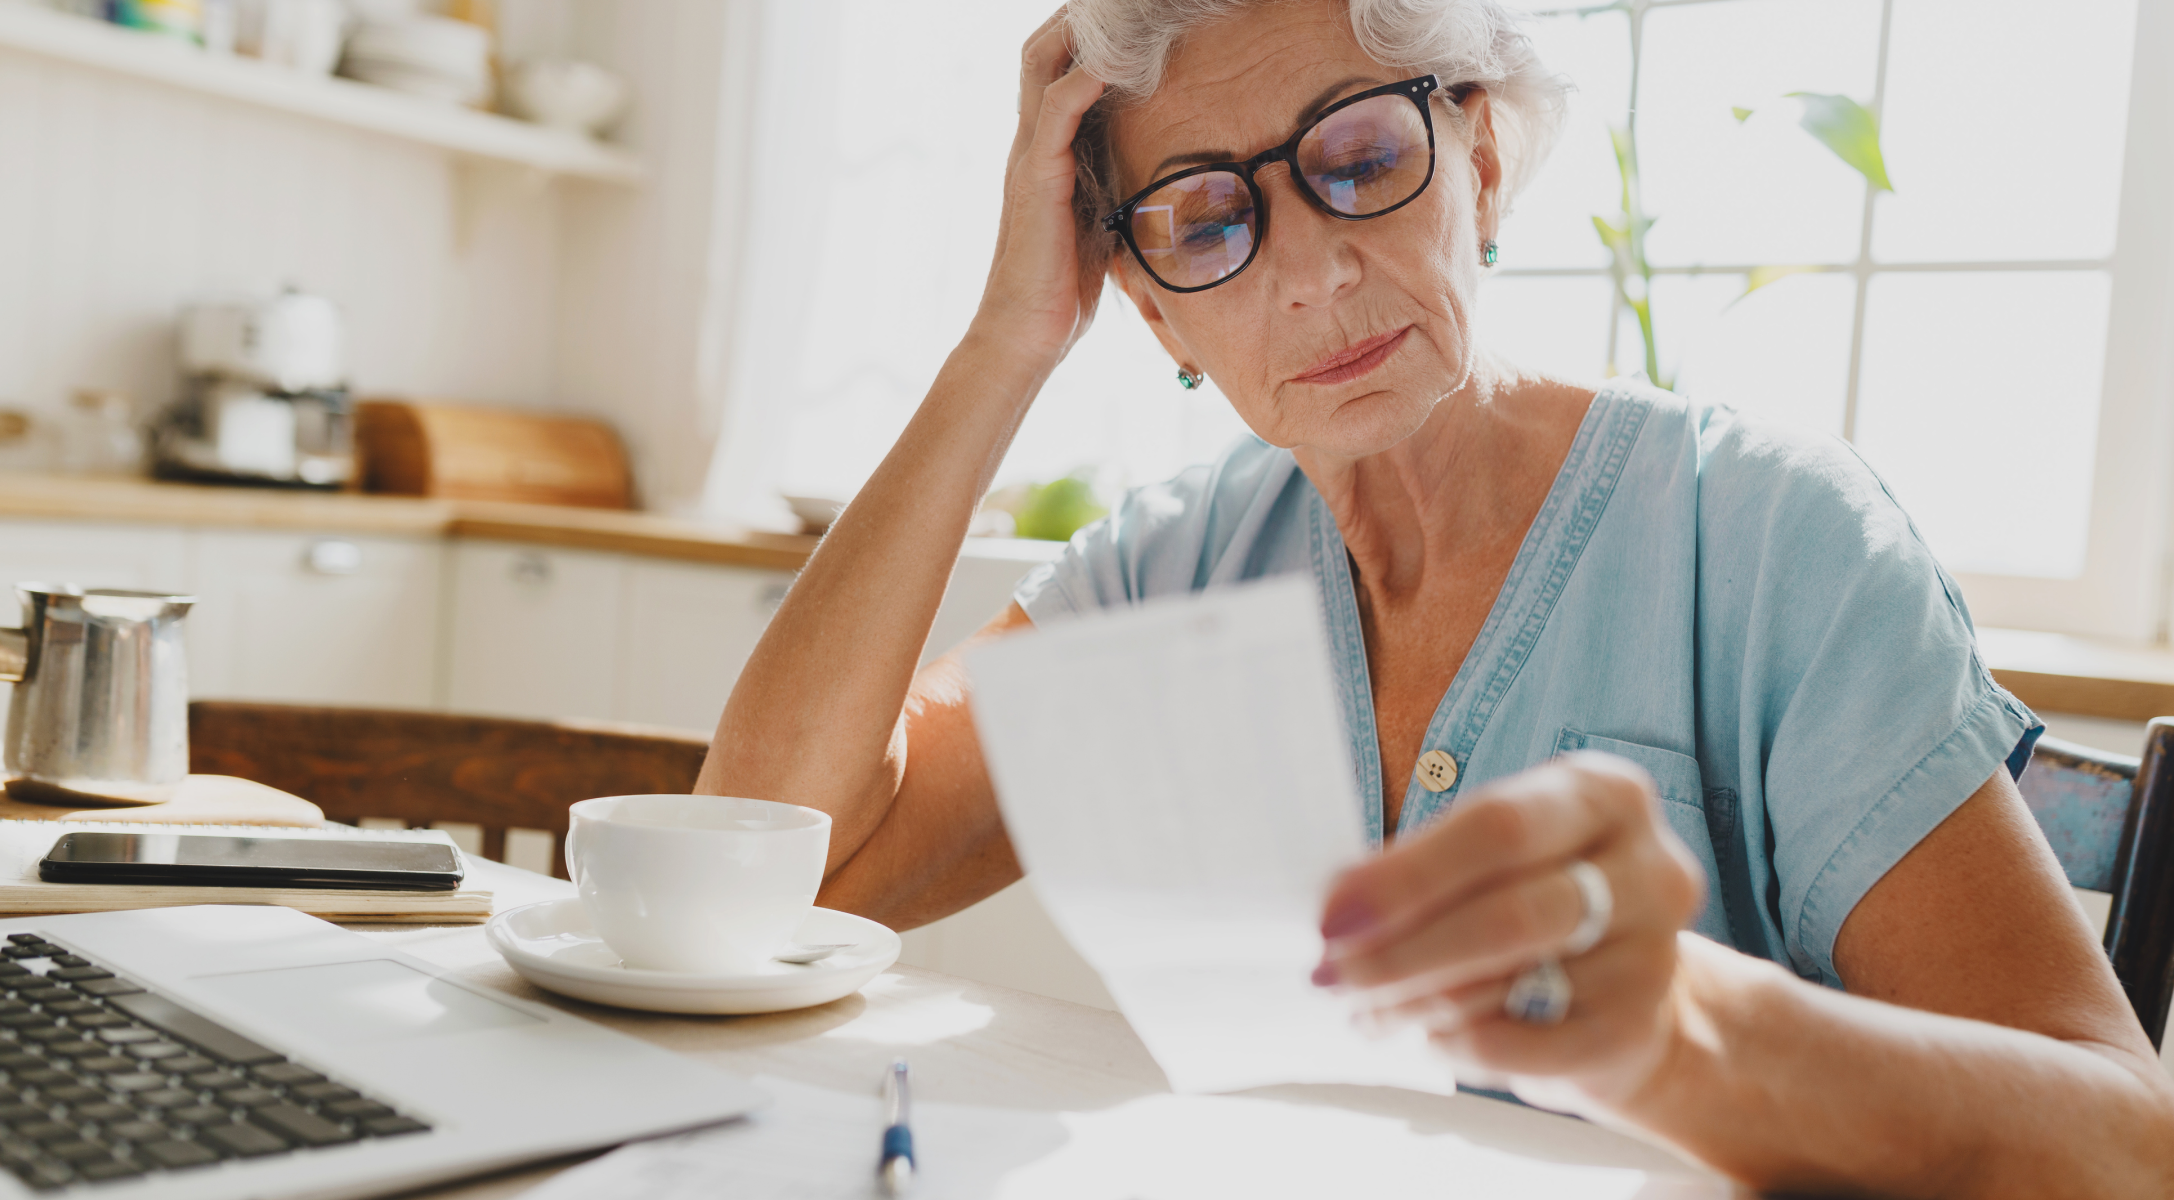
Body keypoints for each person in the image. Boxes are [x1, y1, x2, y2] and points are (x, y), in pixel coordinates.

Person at [695, 0, 2174, 1192]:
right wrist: (1003, 343)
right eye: (1205, 223)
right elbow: (773, 880)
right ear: (1151, 306)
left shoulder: (1776, 541)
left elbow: (2123, 1148)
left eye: (1356, 159)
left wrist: (1683, 1028)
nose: (1316, 276)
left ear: (1476, 159)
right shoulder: (1168, 570)